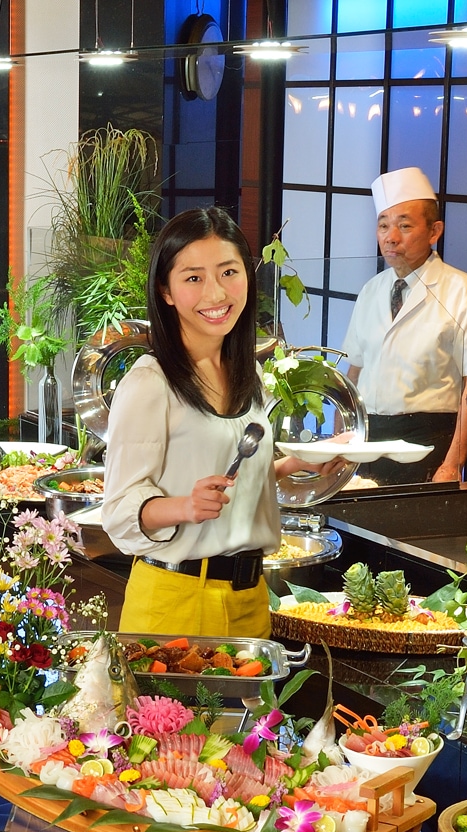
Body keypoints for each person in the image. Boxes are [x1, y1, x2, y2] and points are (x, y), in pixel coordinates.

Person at [102, 207, 325, 637]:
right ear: (165, 291)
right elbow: (119, 512)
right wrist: (185, 505)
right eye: (193, 278)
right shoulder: (151, 382)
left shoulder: (250, 375)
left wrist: (294, 465)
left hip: (251, 599)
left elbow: (229, 479)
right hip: (176, 599)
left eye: (228, 272)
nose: (216, 293)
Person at [340, 167, 467, 486]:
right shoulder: (371, 290)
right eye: (384, 225)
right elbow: (354, 374)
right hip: (367, 441)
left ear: (434, 231)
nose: (391, 237)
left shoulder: (463, 291)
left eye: (404, 225)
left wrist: (453, 463)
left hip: (429, 441)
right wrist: (341, 446)